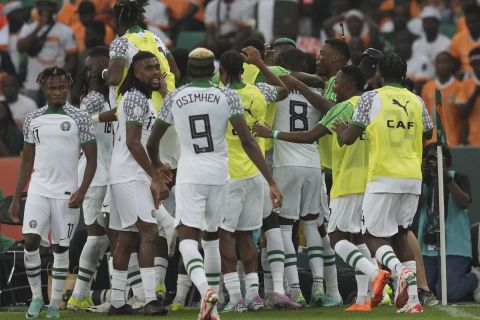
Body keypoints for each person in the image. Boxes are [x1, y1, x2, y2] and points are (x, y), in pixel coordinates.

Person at [146, 47, 282, 320]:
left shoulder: (174, 98)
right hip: (221, 175)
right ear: (213, 70)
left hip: (191, 174)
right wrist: (271, 181)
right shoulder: (228, 97)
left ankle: (207, 290)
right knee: (211, 237)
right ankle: (214, 304)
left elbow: (152, 142)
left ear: (188, 67)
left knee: (187, 237)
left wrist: (158, 170)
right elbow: (247, 140)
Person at [254, 65, 389, 312]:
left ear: (348, 85)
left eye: (337, 84)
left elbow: (310, 135)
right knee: (355, 235)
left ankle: (297, 288)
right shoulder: (371, 104)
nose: (332, 88)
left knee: (323, 234)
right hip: (355, 176)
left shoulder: (341, 107)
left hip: (340, 181)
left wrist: (269, 132)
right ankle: (362, 296)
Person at [335, 52, 434, 314]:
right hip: (412, 176)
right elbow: (427, 131)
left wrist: (340, 131)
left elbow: (349, 138)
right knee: (401, 232)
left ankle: (400, 272)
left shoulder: (371, 98)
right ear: (403, 74)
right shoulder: (416, 100)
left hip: (383, 176)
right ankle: (412, 300)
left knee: (371, 235)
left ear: (379, 72)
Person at [7, 66, 97, 318]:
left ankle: (54, 304)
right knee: (31, 240)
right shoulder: (32, 118)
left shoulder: (79, 118)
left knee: (60, 248)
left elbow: (92, 160)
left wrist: (82, 190)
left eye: (62, 87)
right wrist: (16, 197)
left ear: (67, 88)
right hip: (38, 190)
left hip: (67, 193)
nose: (58, 92)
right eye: (52, 88)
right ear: (43, 89)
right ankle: (36, 298)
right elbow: (27, 161)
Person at [218, 48, 288, 312]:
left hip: (230, 173)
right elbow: (282, 89)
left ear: (222, 72)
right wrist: (261, 64)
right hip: (256, 174)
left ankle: (235, 297)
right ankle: (254, 295)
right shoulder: (259, 91)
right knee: (247, 236)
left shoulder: (221, 97)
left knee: (225, 235)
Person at [107, 51, 169, 316]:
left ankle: (118, 303)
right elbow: (133, 142)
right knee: (149, 233)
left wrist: (156, 167)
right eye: (147, 68)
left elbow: (142, 141)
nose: (154, 72)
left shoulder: (141, 98)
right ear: (135, 72)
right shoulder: (134, 98)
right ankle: (148, 299)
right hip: (130, 175)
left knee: (126, 237)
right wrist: (154, 177)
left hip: (127, 173)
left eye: (156, 67)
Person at [66, 46, 112, 311]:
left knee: (113, 236)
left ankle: (115, 293)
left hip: (110, 172)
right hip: (96, 174)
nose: (90, 70)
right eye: (88, 68)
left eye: (92, 65)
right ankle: (79, 294)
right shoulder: (93, 99)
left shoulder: (113, 96)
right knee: (98, 236)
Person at [417, 143, 479, 302]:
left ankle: (476, 275)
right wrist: (422, 178)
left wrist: (447, 179)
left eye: (436, 160)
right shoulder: (422, 180)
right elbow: (413, 206)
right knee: (427, 291)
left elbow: (464, 202)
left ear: (447, 162)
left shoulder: (458, 177)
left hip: (454, 245)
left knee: (448, 293)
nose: (433, 164)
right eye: (429, 160)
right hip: (427, 247)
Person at [17, 0, 78, 105]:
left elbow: (72, 58)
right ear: (37, 7)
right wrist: (39, 27)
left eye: (49, 5)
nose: (45, 8)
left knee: (58, 117)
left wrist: (61, 79)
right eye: (42, 5)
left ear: (55, 8)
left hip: (57, 86)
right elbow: (21, 48)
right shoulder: (28, 28)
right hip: (33, 84)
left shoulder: (65, 30)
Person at [421, 52, 462, 146]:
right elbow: (423, 117)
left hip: (453, 141)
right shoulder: (427, 87)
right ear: (435, 65)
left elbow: (462, 117)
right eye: (439, 62)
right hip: (431, 142)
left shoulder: (459, 87)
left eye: (445, 61)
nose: (442, 65)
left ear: (451, 64)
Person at [456, 47, 480, 145]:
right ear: (471, 65)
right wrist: (475, 94)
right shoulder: (466, 84)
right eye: (478, 64)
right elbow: (463, 112)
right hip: (473, 140)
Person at [450, 4, 480, 74]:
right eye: (468, 22)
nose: (471, 25)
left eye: (474, 21)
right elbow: (455, 64)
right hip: (466, 77)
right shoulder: (457, 39)